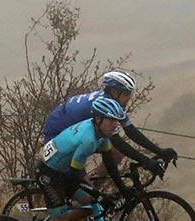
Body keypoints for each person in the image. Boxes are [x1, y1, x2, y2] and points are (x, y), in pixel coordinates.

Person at [31, 96, 127, 221]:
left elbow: (109, 162)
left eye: (117, 120)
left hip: (63, 171)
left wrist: (121, 188)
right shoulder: (88, 138)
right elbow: (76, 174)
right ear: (98, 120)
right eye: (111, 120)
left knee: (93, 203)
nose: (115, 124)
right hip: (50, 174)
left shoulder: (101, 134)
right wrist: (97, 191)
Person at [43, 70, 178, 186]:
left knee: (116, 154)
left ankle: (95, 188)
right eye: (126, 94)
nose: (129, 98)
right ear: (114, 91)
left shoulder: (112, 104)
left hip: (70, 130)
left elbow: (130, 131)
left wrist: (160, 151)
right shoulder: (102, 107)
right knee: (81, 185)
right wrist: (147, 161)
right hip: (57, 134)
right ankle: (87, 197)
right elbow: (117, 141)